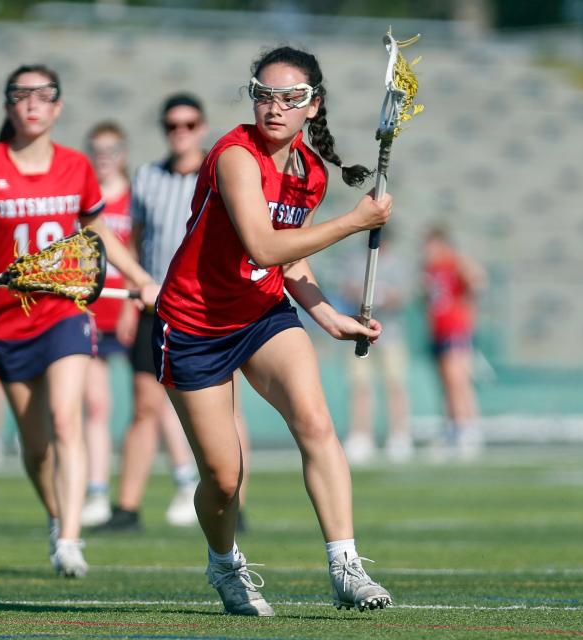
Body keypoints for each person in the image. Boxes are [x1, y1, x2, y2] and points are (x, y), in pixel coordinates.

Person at [152, 46, 394, 616]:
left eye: (291, 98)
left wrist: (328, 314)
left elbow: (289, 264)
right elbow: (263, 244)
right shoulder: (234, 156)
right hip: (194, 325)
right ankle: (224, 564)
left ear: (313, 106)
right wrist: (354, 222)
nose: (275, 107)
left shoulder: (309, 172)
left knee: (314, 420)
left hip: (261, 315)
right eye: (264, 95)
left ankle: (346, 567)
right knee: (223, 477)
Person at [0, 64, 159, 578]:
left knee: (66, 418)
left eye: (44, 95)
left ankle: (72, 539)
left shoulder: (77, 166)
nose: (33, 103)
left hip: (65, 312)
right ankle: (58, 517)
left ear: (58, 107)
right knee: (36, 448)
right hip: (6, 319)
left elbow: (99, 230)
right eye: (22, 95)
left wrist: (141, 279)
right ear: (9, 106)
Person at [94, 94, 229, 532]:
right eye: (172, 125)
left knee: (228, 409)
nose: (181, 132)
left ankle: (234, 504)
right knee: (144, 407)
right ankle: (127, 507)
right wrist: (135, 290)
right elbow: (134, 239)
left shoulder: (224, 170)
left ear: (202, 126)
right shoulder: (148, 177)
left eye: (189, 124)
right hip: (156, 302)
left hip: (210, 303)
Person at [80, 121, 133, 526]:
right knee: (97, 405)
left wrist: (135, 301)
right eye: (96, 148)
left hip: (131, 309)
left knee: (160, 402)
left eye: (111, 148)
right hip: (93, 312)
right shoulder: (83, 200)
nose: (104, 156)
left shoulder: (135, 199)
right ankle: (97, 491)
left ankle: (188, 480)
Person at [341, 236, 415, 464]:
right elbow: (347, 289)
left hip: (390, 333)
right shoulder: (356, 261)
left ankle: (399, 434)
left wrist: (387, 297)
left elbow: (405, 294)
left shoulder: (398, 263)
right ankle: (362, 435)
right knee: (360, 385)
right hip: (360, 331)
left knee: (394, 384)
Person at [422, 225, 486, 460]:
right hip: (439, 330)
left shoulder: (454, 263)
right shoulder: (430, 268)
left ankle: (466, 429)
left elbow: (477, 283)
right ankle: (453, 427)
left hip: (455, 329)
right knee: (447, 383)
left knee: (457, 380)